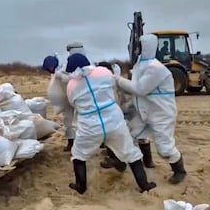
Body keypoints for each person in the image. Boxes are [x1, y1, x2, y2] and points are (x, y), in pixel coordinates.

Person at [65, 53, 156, 194]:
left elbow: (73, 102)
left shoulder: (71, 85)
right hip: (113, 121)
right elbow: (114, 84)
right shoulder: (103, 72)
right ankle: (144, 185)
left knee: (78, 155)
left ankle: (81, 187)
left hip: (90, 126)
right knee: (130, 152)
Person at [114, 33, 187, 184]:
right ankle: (121, 163)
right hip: (145, 111)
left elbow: (139, 89)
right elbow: (134, 86)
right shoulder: (140, 65)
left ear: (145, 47)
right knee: (129, 134)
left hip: (161, 114)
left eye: (138, 46)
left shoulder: (156, 68)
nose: (136, 50)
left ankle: (179, 170)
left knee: (165, 147)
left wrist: (117, 79)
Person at [96, 62, 155, 170]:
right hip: (119, 114)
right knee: (114, 137)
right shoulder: (103, 84)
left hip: (131, 112)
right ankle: (119, 161)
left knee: (138, 136)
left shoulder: (120, 82)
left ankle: (147, 161)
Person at [42, 55, 76, 151]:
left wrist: (60, 75)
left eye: (50, 68)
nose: (49, 70)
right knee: (68, 122)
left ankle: (75, 143)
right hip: (65, 102)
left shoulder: (64, 69)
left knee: (74, 122)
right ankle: (71, 142)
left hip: (71, 99)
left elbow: (70, 79)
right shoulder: (55, 72)